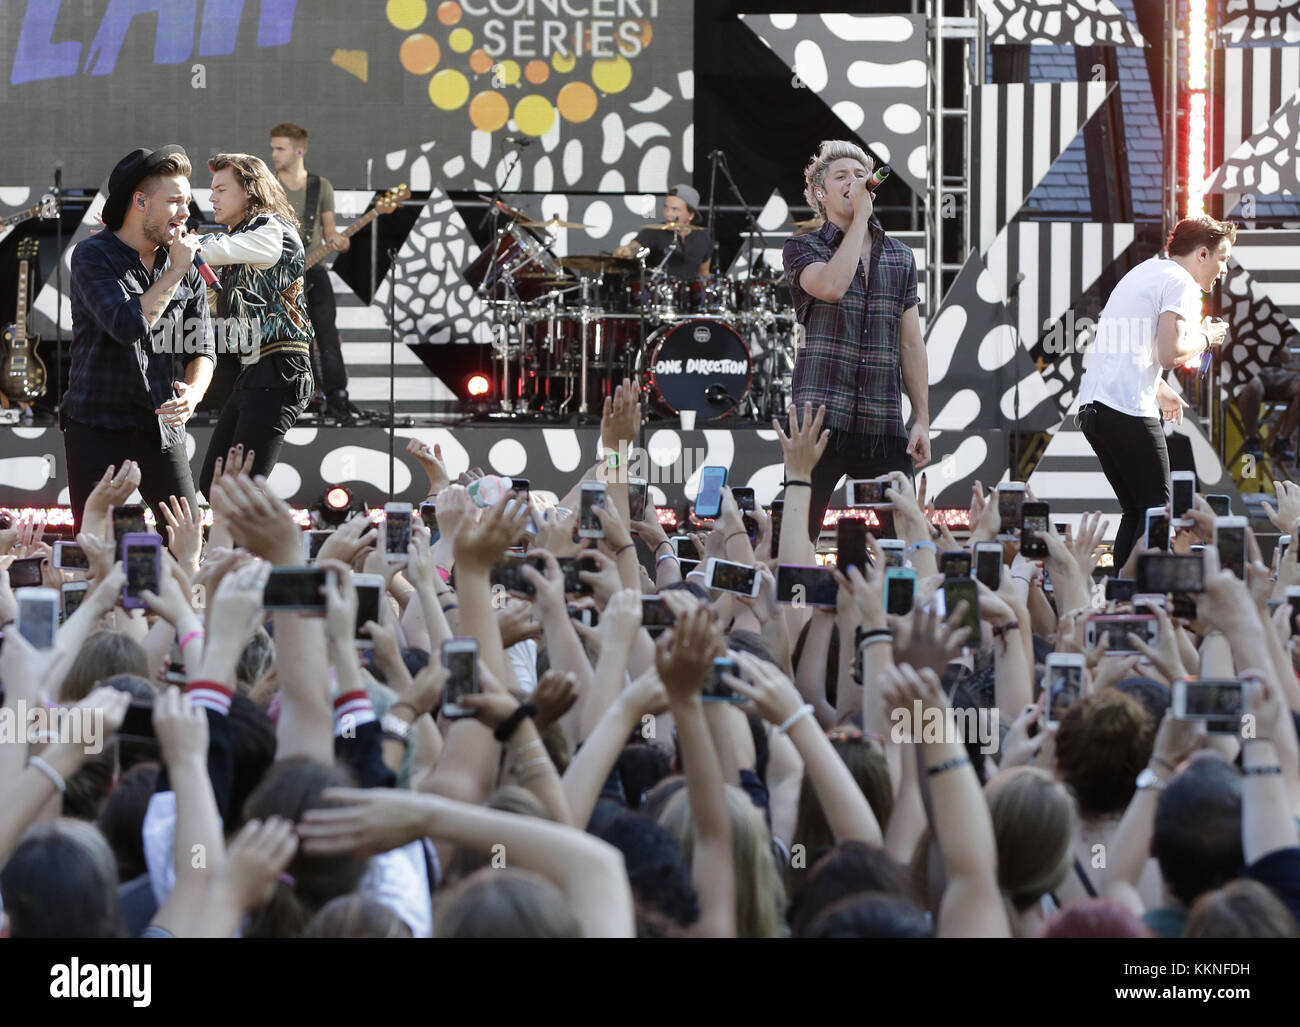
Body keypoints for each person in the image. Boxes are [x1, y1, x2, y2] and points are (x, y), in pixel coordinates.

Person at [782, 140, 930, 538]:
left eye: (860, 175)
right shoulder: (803, 246)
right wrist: (860, 221)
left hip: (882, 420)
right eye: (841, 176)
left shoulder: (900, 257)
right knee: (796, 537)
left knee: (902, 540)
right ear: (820, 194)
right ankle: (795, 602)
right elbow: (831, 285)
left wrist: (921, 419)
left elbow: (911, 344)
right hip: (819, 420)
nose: (853, 181)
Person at [63, 144, 214, 529]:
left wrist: (194, 393)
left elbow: (204, 345)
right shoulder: (92, 255)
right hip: (97, 423)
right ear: (140, 201)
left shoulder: (184, 263)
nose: (186, 213)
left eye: (188, 202)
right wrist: (175, 272)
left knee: (187, 538)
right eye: (175, 202)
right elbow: (127, 325)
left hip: (160, 425)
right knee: (97, 542)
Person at [1075, 215, 1234, 567]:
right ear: (1203, 254)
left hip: (1095, 410)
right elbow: (1169, 352)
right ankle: (1141, 603)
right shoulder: (1181, 282)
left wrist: (1159, 388)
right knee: (1157, 512)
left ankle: (1122, 601)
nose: (1223, 271)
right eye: (1223, 260)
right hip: (1127, 410)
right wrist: (1208, 336)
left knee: (1137, 511)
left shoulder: (1144, 272)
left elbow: (1126, 347)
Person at [195, 153, 315, 497]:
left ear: (249, 190)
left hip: (281, 368)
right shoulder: (243, 242)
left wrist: (163, 241)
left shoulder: (271, 228)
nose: (212, 197)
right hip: (254, 372)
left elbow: (206, 252)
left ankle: (257, 549)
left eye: (220, 189)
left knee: (238, 490)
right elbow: (218, 297)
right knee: (214, 485)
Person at [269, 122, 353, 422]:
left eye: (280, 148)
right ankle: (284, 395)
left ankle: (337, 397)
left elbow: (329, 232)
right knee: (280, 337)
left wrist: (338, 242)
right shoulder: (268, 185)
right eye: (273, 148)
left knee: (327, 334)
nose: (274, 154)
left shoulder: (321, 186)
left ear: (299, 151)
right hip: (278, 274)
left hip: (314, 271)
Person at [614, 184, 712, 280]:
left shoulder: (703, 237)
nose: (668, 213)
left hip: (690, 294)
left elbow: (704, 273)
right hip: (657, 292)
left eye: (675, 209)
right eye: (666, 207)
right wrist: (628, 251)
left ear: (691, 215)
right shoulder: (652, 232)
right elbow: (635, 248)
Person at [1238, 347, 1300, 461]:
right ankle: (1252, 439)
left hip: (1276, 374)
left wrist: (1275, 342)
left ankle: (1283, 440)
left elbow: (1287, 358)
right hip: (1247, 373)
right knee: (1253, 385)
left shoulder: (1272, 329)